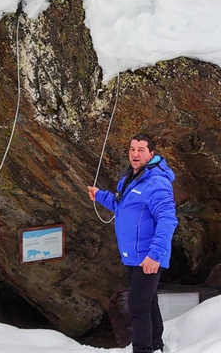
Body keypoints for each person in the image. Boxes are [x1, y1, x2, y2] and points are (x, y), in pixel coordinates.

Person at [87, 133, 178, 353]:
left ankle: (143, 349)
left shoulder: (156, 183)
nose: (135, 154)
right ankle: (156, 345)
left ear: (152, 154)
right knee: (148, 303)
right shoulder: (131, 177)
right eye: (132, 149)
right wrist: (100, 196)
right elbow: (123, 206)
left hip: (147, 256)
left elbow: (167, 220)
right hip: (134, 255)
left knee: (137, 306)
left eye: (141, 150)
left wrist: (154, 255)